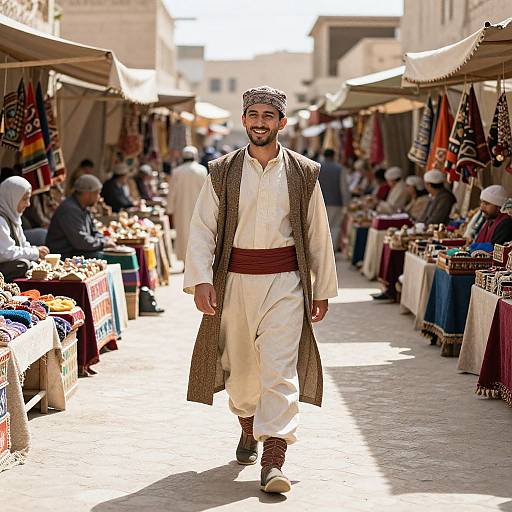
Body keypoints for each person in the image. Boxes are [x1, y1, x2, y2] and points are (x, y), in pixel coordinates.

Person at [183, 86, 338, 494]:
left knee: (279, 369)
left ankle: (274, 459)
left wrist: (320, 288)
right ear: (244, 119)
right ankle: (248, 427)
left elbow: (316, 233)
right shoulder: (222, 170)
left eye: (268, 115)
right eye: (253, 114)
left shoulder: (304, 172)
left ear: (282, 123)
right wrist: (201, 278)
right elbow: (203, 229)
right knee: (241, 370)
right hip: (233, 282)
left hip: (286, 283)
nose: (260, 121)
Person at [46, 175, 117, 259]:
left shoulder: (83, 208)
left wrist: (105, 240)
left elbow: (94, 232)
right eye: (96, 193)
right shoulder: (70, 210)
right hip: (66, 255)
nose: (98, 197)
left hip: (79, 252)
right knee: (112, 258)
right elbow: (81, 241)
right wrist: (103, 243)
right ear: (86, 194)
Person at [0, 177, 49, 280]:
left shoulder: (13, 216)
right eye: (24, 199)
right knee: (24, 264)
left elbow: (23, 243)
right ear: (12, 197)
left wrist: (36, 252)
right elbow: (6, 253)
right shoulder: (1, 220)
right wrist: (35, 252)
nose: (28, 204)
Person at [166, 146, 208, 262]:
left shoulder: (177, 172)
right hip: (199, 209)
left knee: (184, 235)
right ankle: (196, 262)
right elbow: (207, 192)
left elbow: (172, 193)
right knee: (197, 235)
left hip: (181, 209)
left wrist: (169, 210)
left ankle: (186, 262)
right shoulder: (202, 170)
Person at [318, 148, 350, 249]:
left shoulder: (316, 167)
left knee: (321, 227)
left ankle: (321, 249)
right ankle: (332, 249)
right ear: (333, 156)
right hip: (336, 203)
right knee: (335, 226)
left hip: (319, 202)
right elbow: (344, 187)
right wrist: (347, 204)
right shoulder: (340, 169)